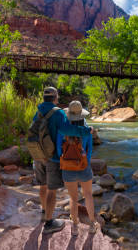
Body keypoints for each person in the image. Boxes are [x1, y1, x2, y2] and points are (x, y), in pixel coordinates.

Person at [33, 87, 92, 234]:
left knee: (43, 185)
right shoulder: (58, 113)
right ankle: (48, 224)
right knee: (52, 191)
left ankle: (44, 212)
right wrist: (86, 131)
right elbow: (67, 130)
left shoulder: (38, 112)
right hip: (52, 158)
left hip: (37, 155)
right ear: (55, 98)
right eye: (57, 97)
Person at [57, 100, 100, 236]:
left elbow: (59, 150)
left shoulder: (62, 129)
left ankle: (75, 227)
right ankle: (92, 224)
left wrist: (64, 161)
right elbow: (90, 149)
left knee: (73, 198)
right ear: (81, 114)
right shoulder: (87, 129)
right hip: (84, 168)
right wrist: (84, 163)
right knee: (88, 195)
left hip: (68, 169)